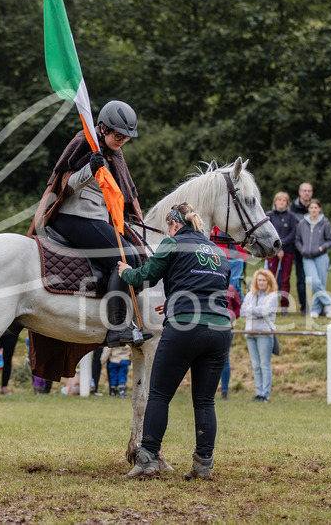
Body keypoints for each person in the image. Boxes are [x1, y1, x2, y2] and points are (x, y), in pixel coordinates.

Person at [117, 202, 231, 480]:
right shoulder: (217, 251)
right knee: (205, 401)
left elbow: (146, 276)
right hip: (220, 329)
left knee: (159, 395)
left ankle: (147, 460)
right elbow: (212, 286)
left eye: (169, 225)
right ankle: (203, 465)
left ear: (174, 223)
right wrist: (173, 300)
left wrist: (124, 272)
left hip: (184, 328)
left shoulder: (173, 242)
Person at [33, 99, 149, 347]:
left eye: (126, 137)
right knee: (125, 259)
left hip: (95, 219)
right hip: (73, 217)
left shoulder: (115, 155)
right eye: (118, 135)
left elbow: (122, 193)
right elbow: (64, 185)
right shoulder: (83, 142)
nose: (122, 141)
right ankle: (117, 328)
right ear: (103, 128)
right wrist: (89, 169)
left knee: (137, 256)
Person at [240, 268, 279, 403]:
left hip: (264, 333)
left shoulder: (272, 296)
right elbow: (243, 312)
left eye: (264, 280)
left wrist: (252, 310)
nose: (261, 282)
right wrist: (255, 311)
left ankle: (265, 395)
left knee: (264, 364)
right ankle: (258, 392)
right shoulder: (250, 294)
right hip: (250, 333)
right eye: (259, 280)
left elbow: (266, 311)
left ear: (269, 281)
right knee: (255, 365)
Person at [295, 199, 331, 318]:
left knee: (321, 283)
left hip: (321, 256)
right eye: (311, 208)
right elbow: (297, 240)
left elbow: (330, 241)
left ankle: (316, 310)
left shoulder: (325, 223)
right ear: (308, 209)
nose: (313, 210)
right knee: (313, 282)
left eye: (315, 208)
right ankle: (328, 302)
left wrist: (321, 248)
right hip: (307, 257)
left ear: (319, 209)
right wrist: (302, 249)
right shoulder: (302, 223)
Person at [266, 192, 300, 311]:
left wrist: (282, 246)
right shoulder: (269, 215)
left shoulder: (291, 216)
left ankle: (284, 305)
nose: (281, 202)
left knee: (285, 278)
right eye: (279, 200)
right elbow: (268, 232)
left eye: (284, 200)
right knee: (271, 278)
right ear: (275, 202)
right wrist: (277, 248)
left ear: (287, 203)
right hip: (272, 251)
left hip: (288, 251)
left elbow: (293, 233)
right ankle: (271, 305)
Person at [290, 182, 314, 314]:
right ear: (300, 192)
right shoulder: (292, 208)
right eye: (304, 191)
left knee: (314, 279)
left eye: (309, 191)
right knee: (301, 278)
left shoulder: (314, 206)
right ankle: (304, 306)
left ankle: (316, 305)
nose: (306, 193)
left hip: (314, 250)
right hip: (298, 249)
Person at [218, 282, 242, 400]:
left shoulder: (231, 288)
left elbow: (238, 305)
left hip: (227, 328)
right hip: (209, 325)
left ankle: (224, 390)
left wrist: (232, 316)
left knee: (225, 359)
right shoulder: (208, 285)